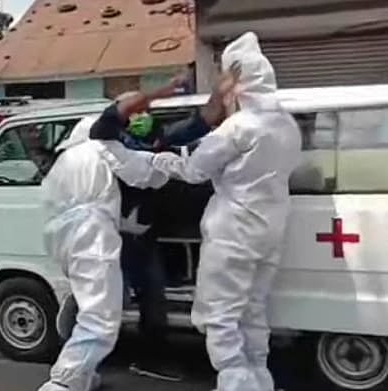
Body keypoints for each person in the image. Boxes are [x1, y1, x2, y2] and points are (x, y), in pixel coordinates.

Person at [147, 32, 301, 391]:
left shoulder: (240, 126)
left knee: (220, 316)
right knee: (252, 313)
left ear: (237, 81)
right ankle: (259, 380)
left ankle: (236, 384)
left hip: (234, 232)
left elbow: (196, 169)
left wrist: (161, 160)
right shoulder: (287, 125)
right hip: (271, 230)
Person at [90, 77, 234, 382]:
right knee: (103, 303)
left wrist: (223, 90)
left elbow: (204, 119)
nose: (142, 116)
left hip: (142, 238)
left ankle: (149, 359)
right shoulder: (104, 138)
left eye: (145, 111)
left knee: (152, 299)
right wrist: (162, 91)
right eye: (136, 112)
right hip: (110, 238)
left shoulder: (161, 141)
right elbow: (121, 110)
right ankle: (85, 362)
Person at [37, 108, 171, 391]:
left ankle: (83, 376)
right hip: (93, 237)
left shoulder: (66, 160)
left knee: (91, 306)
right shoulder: (102, 151)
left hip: (65, 239)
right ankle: (63, 383)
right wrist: (176, 160)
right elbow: (148, 175)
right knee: (101, 319)